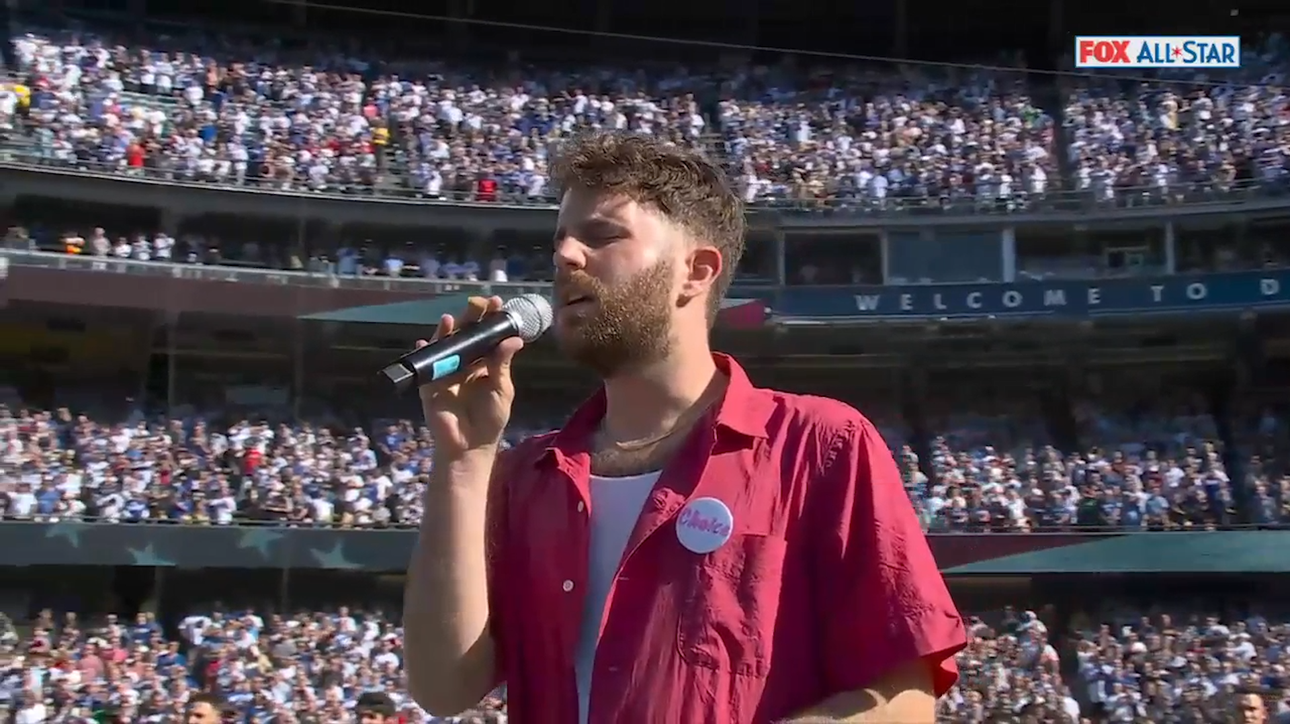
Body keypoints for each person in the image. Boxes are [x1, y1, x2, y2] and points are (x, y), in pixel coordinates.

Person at [403, 130, 966, 724]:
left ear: (696, 271)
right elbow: (443, 689)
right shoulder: (525, 475)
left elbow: (903, 703)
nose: (565, 258)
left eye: (602, 236)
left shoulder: (820, 445)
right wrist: (464, 459)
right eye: (561, 241)